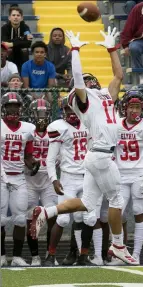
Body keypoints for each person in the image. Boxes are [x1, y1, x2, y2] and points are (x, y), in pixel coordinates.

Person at [30, 27, 138, 265]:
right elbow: (78, 79)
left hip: (95, 157)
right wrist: (76, 50)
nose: (89, 82)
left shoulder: (105, 97)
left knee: (88, 205)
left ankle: (46, 212)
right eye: (86, 83)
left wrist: (112, 49)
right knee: (117, 200)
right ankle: (118, 245)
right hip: (100, 156)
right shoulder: (85, 103)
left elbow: (119, 76)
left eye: (91, 81)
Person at [45, 96, 103, 266]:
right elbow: (50, 159)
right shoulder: (58, 127)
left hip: (87, 176)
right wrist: (54, 180)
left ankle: (83, 256)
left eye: (73, 109)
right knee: (63, 219)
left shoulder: (89, 124)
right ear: (63, 111)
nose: (71, 113)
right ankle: (50, 255)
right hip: (68, 177)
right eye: (68, 109)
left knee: (90, 218)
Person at [109, 90, 143, 265]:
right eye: (131, 106)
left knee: (139, 212)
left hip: (139, 174)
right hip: (121, 175)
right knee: (118, 214)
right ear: (125, 107)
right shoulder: (116, 125)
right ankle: (120, 253)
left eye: (137, 107)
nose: (134, 111)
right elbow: (111, 152)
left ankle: (136, 255)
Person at [1, 92, 40, 267]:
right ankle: (1, 255)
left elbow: (28, 155)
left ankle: (16, 256)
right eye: (9, 107)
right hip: (2, 176)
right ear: (3, 109)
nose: (13, 110)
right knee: (0, 219)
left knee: (19, 218)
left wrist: (33, 163)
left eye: (16, 107)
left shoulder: (27, 129)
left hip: (18, 177)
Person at [25, 98, 58, 266]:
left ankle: (49, 254)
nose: (42, 116)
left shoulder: (54, 130)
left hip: (48, 180)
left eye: (45, 113)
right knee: (30, 218)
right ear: (32, 114)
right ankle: (35, 256)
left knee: (52, 217)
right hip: (29, 179)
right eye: (39, 113)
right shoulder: (28, 131)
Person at [1, 6, 33, 73]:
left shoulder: (25, 27)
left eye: (18, 15)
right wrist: (22, 38)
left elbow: (28, 43)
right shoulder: (4, 28)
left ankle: (24, 73)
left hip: (21, 53)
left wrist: (12, 43)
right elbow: (5, 43)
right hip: (10, 53)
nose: (16, 17)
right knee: (9, 49)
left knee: (24, 50)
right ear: (9, 18)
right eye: (13, 15)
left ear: (21, 18)